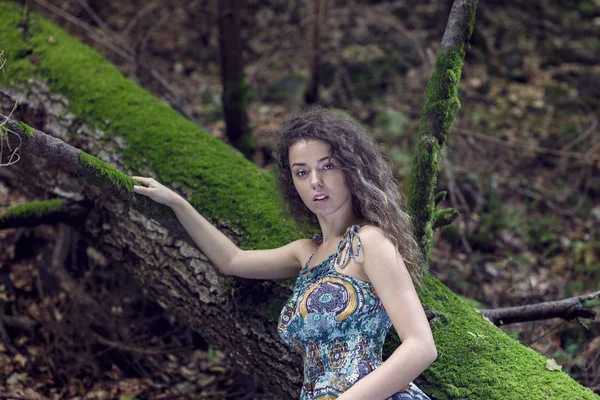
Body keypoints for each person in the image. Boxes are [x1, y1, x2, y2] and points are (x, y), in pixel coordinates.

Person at [131, 105, 437, 399]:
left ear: (352, 169)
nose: (315, 182)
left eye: (327, 166)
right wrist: (178, 203)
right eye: (301, 173)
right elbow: (231, 260)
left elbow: (421, 346)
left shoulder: (370, 242)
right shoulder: (306, 253)